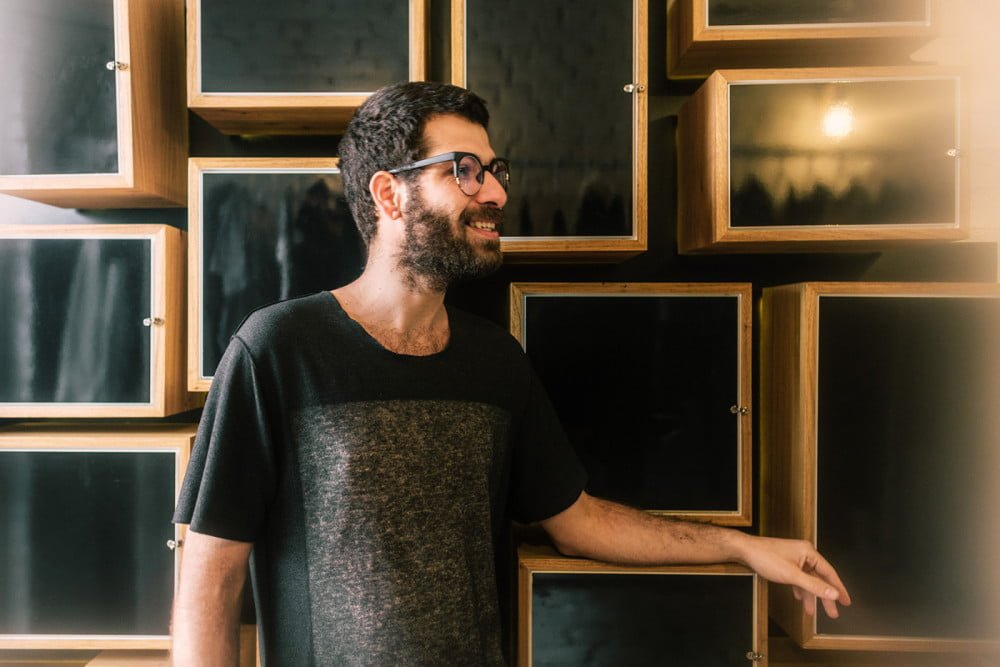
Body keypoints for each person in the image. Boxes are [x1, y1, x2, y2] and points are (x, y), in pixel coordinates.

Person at [171, 81, 850, 666]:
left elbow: (579, 520)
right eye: (464, 169)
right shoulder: (278, 349)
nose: (495, 191)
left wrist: (742, 546)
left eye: (496, 169)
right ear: (390, 194)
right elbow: (212, 576)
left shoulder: (495, 361)